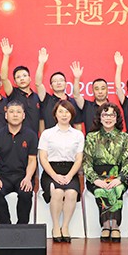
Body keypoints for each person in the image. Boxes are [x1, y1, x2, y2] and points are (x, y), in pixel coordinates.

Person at [83, 102, 128, 242]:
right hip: (97, 176)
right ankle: (105, 225)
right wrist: (95, 179)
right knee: (101, 190)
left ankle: (115, 225)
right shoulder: (91, 137)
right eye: (105, 115)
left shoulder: (124, 137)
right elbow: (86, 162)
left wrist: (120, 178)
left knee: (117, 188)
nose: (108, 118)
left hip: (117, 175)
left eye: (112, 115)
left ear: (117, 118)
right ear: (100, 117)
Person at [38, 100, 85, 242]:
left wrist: (70, 175)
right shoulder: (47, 134)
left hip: (71, 171)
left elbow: (79, 158)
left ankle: (65, 227)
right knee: (57, 192)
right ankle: (56, 227)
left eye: (67, 112)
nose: (64, 115)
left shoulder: (78, 134)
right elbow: (43, 157)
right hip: (51, 171)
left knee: (71, 193)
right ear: (55, 114)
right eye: (61, 112)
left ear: (72, 115)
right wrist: (54, 175)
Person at [0, 101, 38, 225]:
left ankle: (22, 226)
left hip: (23, 176)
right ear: (6, 115)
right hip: (4, 176)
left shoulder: (31, 135)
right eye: (11, 112)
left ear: (23, 115)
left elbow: (32, 160)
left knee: (26, 193)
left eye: (18, 112)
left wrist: (28, 178)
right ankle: (5, 225)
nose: (15, 115)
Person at [0, 38, 42, 134]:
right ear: (15, 81)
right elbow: (4, 77)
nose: (22, 79)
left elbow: (41, 120)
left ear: (30, 78)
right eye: (18, 77)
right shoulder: (12, 93)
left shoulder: (37, 97)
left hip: (33, 138)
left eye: (24, 76)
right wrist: (6, 56)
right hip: (15, 136)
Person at [36, 47, 71, 132]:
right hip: (51, 138)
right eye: (55, 81)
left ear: (66, 84)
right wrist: (41, 63)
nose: (58, 83)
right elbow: (38, 83)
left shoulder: (72, 102)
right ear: (51, 86)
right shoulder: (46, 99)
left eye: (61, 80)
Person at [71, 61, 110, 133]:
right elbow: (76, 95)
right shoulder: (87, 106)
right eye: (97, 89)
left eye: (103, 88)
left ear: (107, 90)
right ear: (93, 91)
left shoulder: (113, 108)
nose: (100, 91)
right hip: (91, 140)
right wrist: (77, 78)